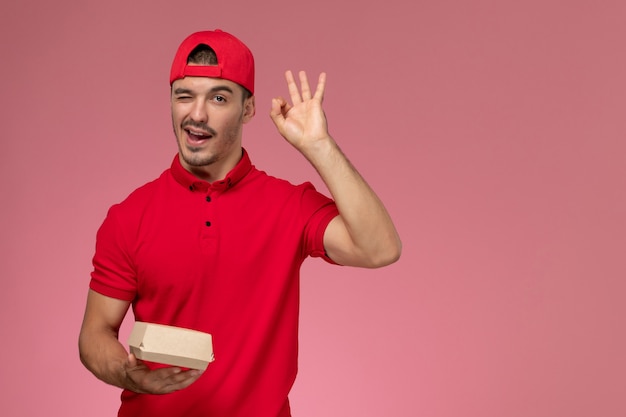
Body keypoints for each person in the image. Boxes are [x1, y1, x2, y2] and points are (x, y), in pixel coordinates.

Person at [78, 29, 401, 417]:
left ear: (248, 109)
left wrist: (320, 146)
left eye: (218, 98)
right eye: (185, 96)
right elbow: (95, 334)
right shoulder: (129, 217)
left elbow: (380, 249)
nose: (197, 114)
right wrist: (128, 374)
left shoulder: (289, 205)